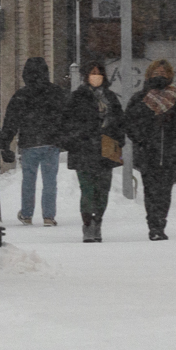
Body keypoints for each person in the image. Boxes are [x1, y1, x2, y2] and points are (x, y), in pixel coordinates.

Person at [122, 59, 176, 241]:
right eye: (155, 73)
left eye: (163, 73)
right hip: (148, 154)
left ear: (169, 75)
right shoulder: (139, 98)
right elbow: (130, 122)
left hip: (170, 153)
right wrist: (143, 139)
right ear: (149, 75)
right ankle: (153, 226)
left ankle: (161, 223)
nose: (159, 76)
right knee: (151, 191)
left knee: (165, 192)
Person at [61, 61, 124, 242]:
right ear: (86, 76)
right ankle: (88, 224)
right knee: (87, 189)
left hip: (106, 149)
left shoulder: (111, 98)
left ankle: (98, 221)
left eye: (99, 73)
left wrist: (118, 140)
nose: (95, 76)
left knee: (102, 190)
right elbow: (65, 123)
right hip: (84, 149)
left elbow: (120, 121)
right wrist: (75, 139)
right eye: (92, 73)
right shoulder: (77, 97)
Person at [0, 56, 67, 226]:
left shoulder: (21, 95)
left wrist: (5, 143)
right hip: (51, 143)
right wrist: (65, 137)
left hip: (29, 143)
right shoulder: (56, 92)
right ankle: (48, 216)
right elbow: (66, 118)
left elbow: (11, 121)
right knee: (50, 181)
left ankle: (27, 214)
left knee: (28, 181)